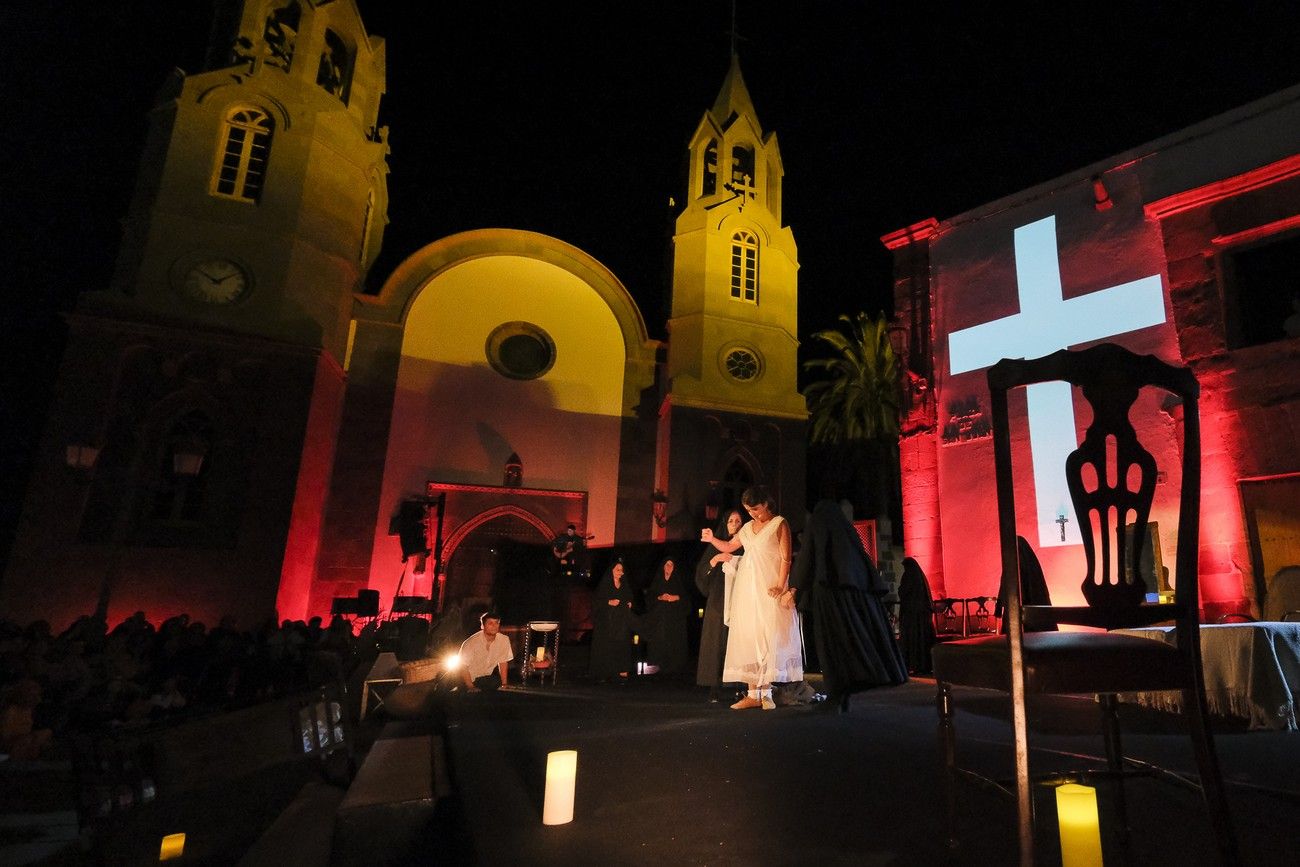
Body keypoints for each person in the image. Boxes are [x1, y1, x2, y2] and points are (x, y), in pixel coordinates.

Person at [791, 499, 907, 712]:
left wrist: (794, 587)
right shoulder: (848, 534)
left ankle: (836, 696)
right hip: (850, 596)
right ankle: (845, 694)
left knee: (831, 648)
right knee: (851, 644)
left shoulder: (818, 522)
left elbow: (808, 557)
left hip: (826, 595)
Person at [701, 486, 803, 710]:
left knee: (767, 636)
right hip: (748, 589)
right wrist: (711, 539)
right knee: (749, 636)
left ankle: (765, 693)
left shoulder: (779, 524)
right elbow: (729, 546)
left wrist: (780, 584)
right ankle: (752, 693)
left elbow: (786, 559)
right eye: (749, 510)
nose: (753, 514)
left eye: (756, 509)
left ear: (766, 504)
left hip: (769, 586)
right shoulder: (747, 528)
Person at [695, 509, 744, 701]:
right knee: (716, 642)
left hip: (739, 601)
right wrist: (715, 560)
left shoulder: (745, 545)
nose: (735, 524)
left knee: (736, 643)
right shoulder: (715, 547)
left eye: (738, 520)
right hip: (718, 601)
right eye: (731, 520)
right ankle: (714, 686)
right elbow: (701, 576)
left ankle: (737, 685)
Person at [589, 559, 637, 682]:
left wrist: (630, 603)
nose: (620, 572)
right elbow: (596, 602)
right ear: (611, 571)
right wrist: (608, 602)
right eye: (617, 569)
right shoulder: (605, 584)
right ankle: (605, 672)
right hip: (607, 623)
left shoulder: (625, 585)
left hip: (621, 624)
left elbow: (630, 597)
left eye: (622, 570)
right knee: (607, 646)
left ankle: (622, 670)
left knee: (621, 645)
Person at [644, 557, 690, 676]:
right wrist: (659, 598)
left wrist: (676, 598)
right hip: (659, 621)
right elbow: (648, 599)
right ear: (663, 566)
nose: (669, 567)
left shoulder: (678, 581)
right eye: (667, 564)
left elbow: (687, 602)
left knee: (673, 644)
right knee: (658, 643)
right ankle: (656, 670)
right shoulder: (657, 581)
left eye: (671, 564)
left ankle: (675, 670)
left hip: (674, 621)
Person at [897, 557, 937, 675]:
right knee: (922, 639)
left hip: (912, 615)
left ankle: (914, 664)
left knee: (914, 640)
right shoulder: (920, 576)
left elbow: (904, 591)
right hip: (922, 614)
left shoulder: (908, 576)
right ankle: (924, 665)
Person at [457, 611, 513, 691]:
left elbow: (503, 662)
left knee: (495, 682)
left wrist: (504, 684)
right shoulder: (471, 642)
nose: (494, 626)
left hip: (483, 678)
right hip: (465, 678)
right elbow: (463, 666)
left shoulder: (504, 640)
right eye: (490, 623)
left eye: (496, 623)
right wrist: (470, 686)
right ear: (482, 626)